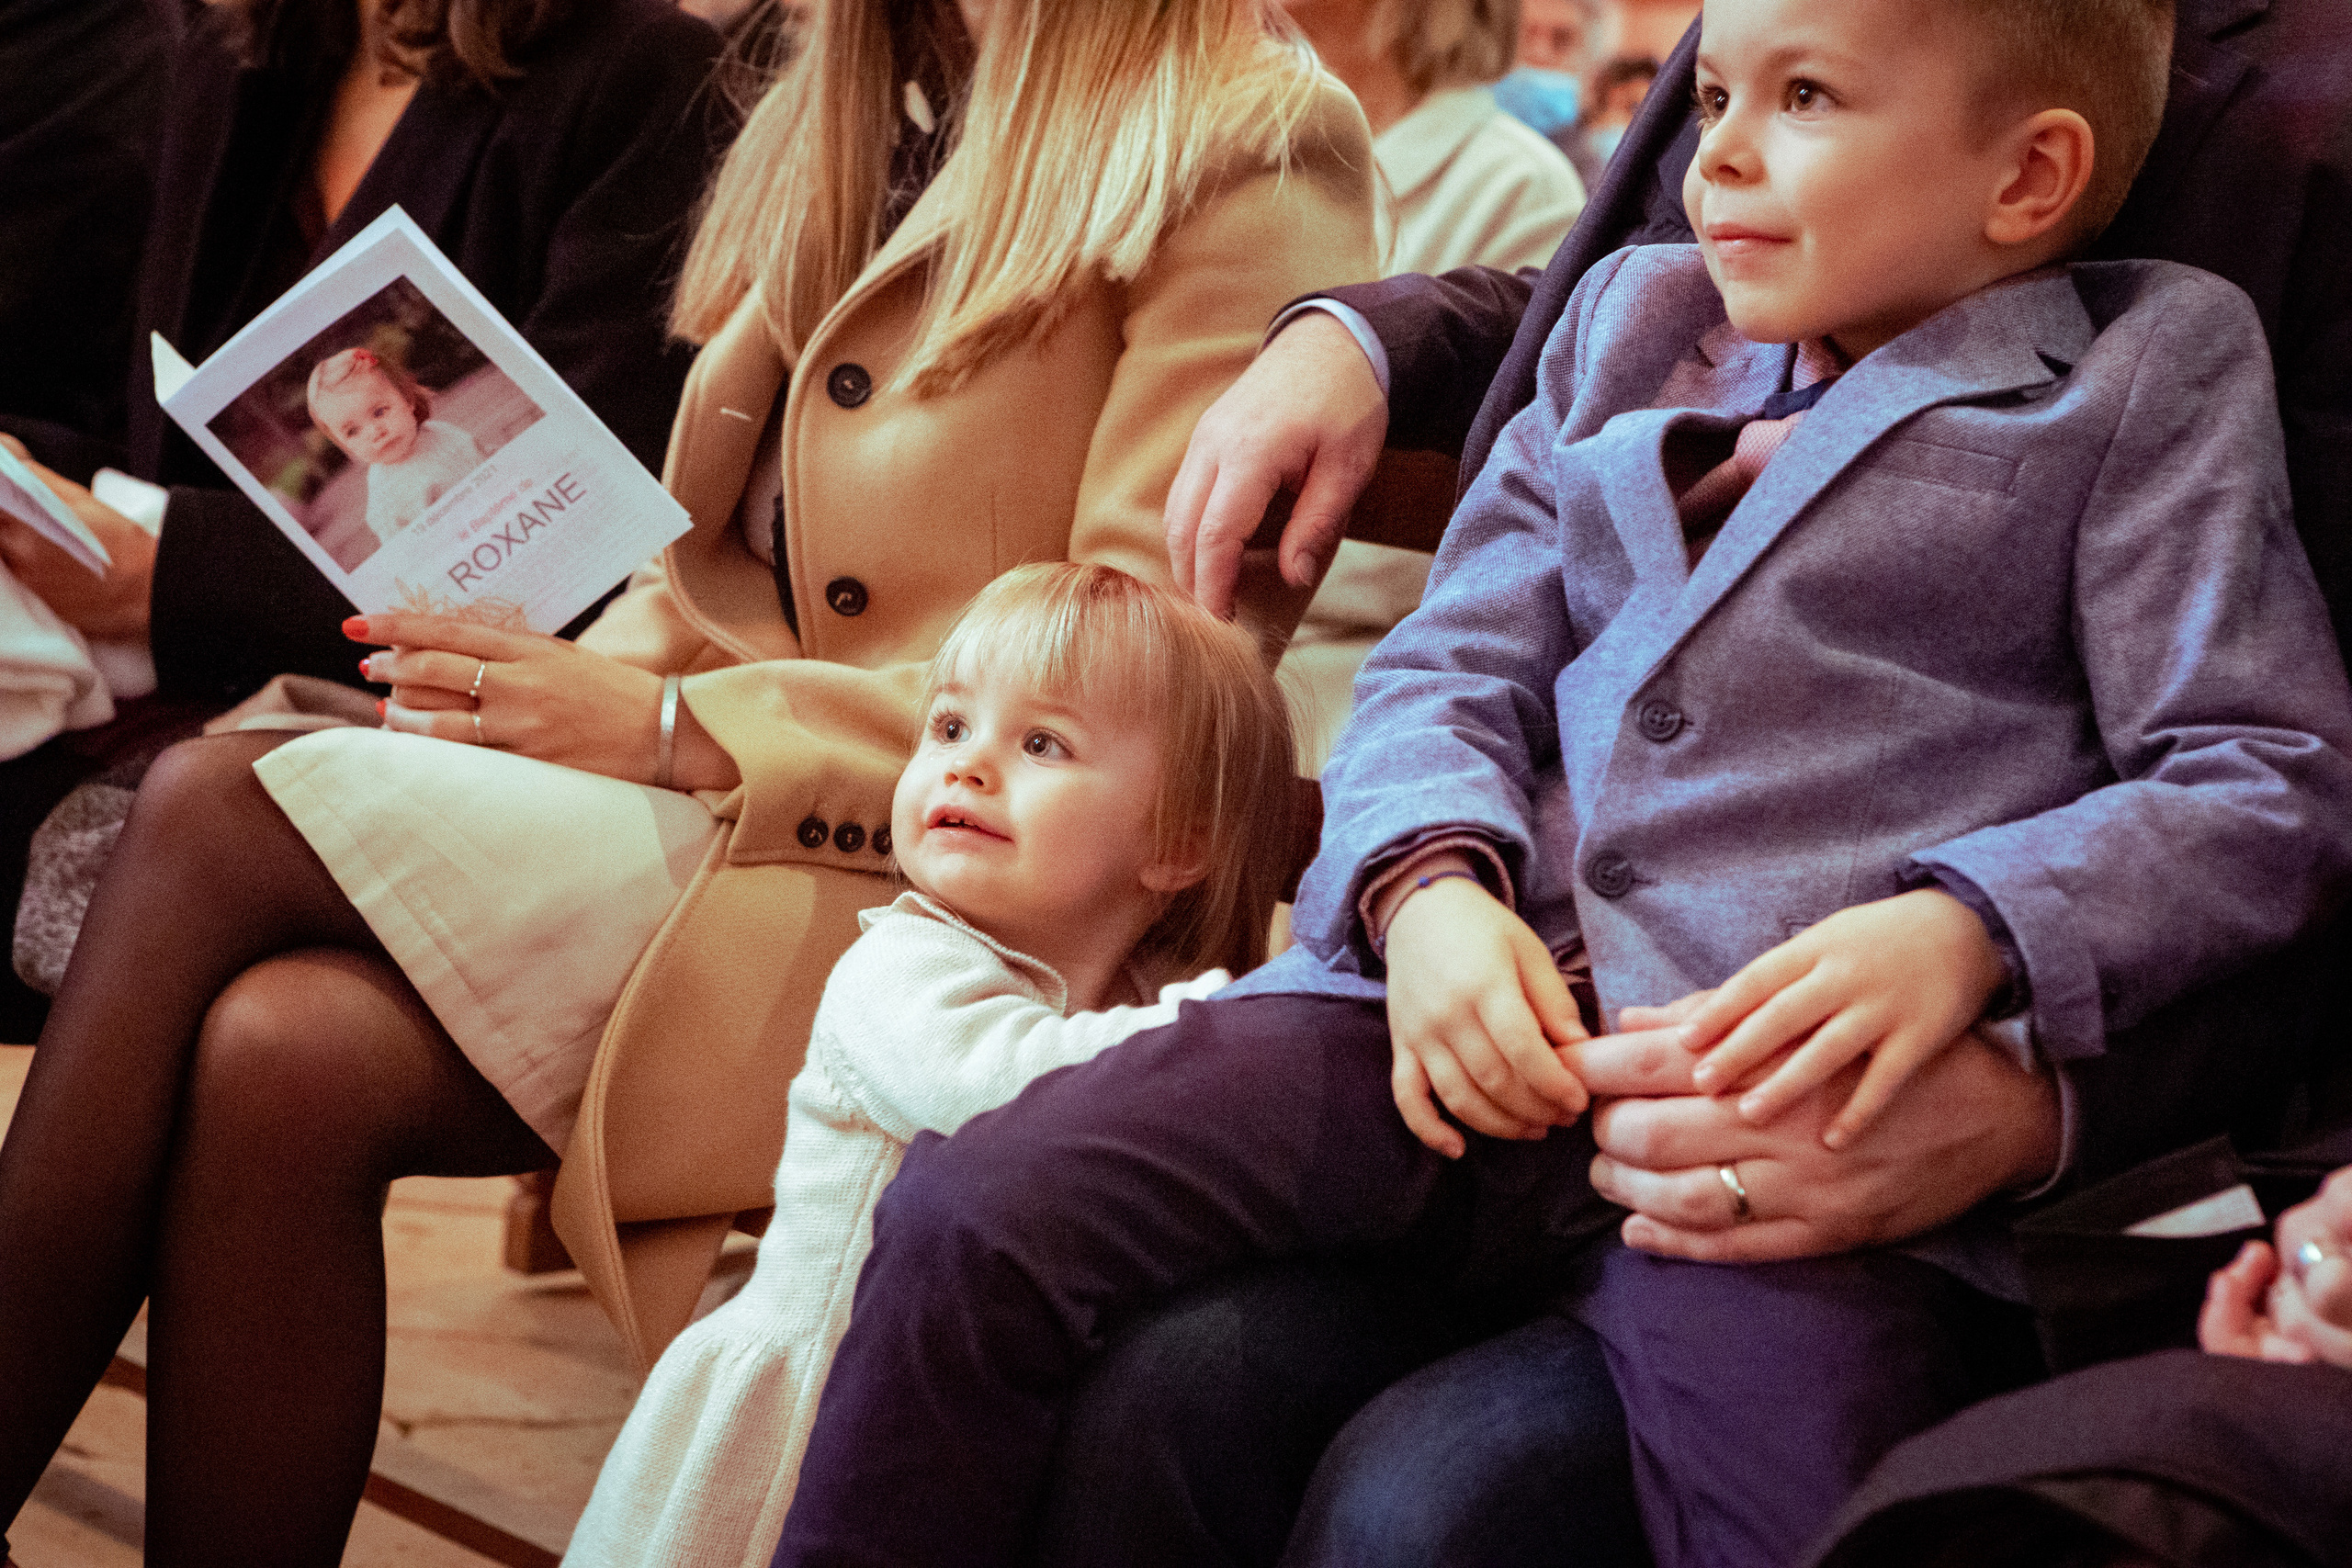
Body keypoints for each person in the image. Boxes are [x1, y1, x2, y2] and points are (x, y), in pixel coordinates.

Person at [768, 0, 2352, 1562]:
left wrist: (1972, 929)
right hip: (1445, 1008)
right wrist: (1425, 888)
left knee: (1797, 1512)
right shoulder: (1628, 325)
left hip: (1759, 1105)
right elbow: (1449, 661)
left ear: (2028, 178)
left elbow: (2259, 771)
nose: (1718, 152)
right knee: (981, 1205)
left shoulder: (2147, 365)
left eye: (1802, 97)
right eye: (1714, 93)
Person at [0, 0, 1374, 1562]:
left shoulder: (1241, 138)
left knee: (212, 798)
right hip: (710, 802)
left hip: (954, 885)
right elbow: (710, 561)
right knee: (278, 1052)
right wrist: (533, 684)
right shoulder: (861, 97)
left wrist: (666, 724)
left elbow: (1151, 692)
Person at [0, 0, 725, 1041]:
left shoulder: (645, 74)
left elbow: (582, 566)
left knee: (200, 921)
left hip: (444, 729)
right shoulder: (247, 52)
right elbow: (150, 439)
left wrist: (162, 576)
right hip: (178, 690)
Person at [564, 562, 1297, 1567]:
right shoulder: (902, 963)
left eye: (1041, 743)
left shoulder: (1136, 1003)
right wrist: (1238, 1028)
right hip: (806, 1408)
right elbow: (1005, 1086)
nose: (968, 766)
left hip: (962, 1414)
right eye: (948, 727)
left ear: (1176, 843)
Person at [1273, 0, 1585, 770]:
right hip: (1175, 633)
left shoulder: (1517, 184)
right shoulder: (1226, 149)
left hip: (1360, 678)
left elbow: (1476, 530)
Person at [304, 346, 488, 540]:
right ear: (345, 446)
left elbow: (482, 456)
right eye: (353, 431)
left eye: (379, 412)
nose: (376, 432)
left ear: (406, 398)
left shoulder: (440, 431)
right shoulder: (386, 499)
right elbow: (405, 556)